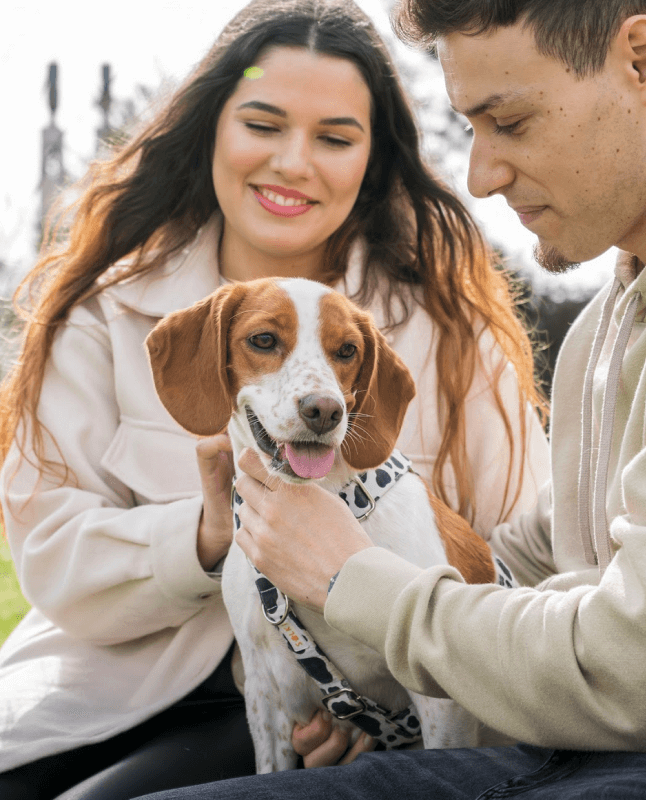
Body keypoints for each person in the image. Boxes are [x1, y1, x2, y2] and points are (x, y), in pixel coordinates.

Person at [132, 0, 646, 799]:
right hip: (576, 749)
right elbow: (531, 560)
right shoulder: (617, 312)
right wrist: (362, 682)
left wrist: (355, 583)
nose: (480, 175)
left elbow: (638, 679)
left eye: (508, 121)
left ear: (643, 62)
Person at [0, 1, 551, 797]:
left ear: (374, 158)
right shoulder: (103, 311)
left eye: (334, 137)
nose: (294, 162)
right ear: (212, 130)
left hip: (355, 717)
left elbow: (522, 559)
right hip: (100, 690)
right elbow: (50, 555)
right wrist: (204, 534)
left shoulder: (450, 332)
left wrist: (387, 708)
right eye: (263, 123)